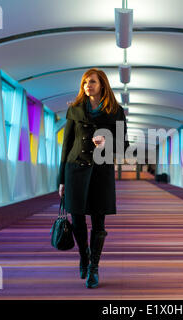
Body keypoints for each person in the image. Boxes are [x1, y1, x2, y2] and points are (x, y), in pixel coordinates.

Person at [57, 68, 129, 288]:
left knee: (98, 221)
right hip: (75, 170)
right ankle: (84, 256)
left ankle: (94, 268)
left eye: (93, 82)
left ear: (102, 85)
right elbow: (66, 145)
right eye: (85, 82)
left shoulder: (115, 111)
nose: (88, 85)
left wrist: (107, 143)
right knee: (78, 220)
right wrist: (61, 179)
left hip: (100, 171)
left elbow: (124, 146)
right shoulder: (74, 110)